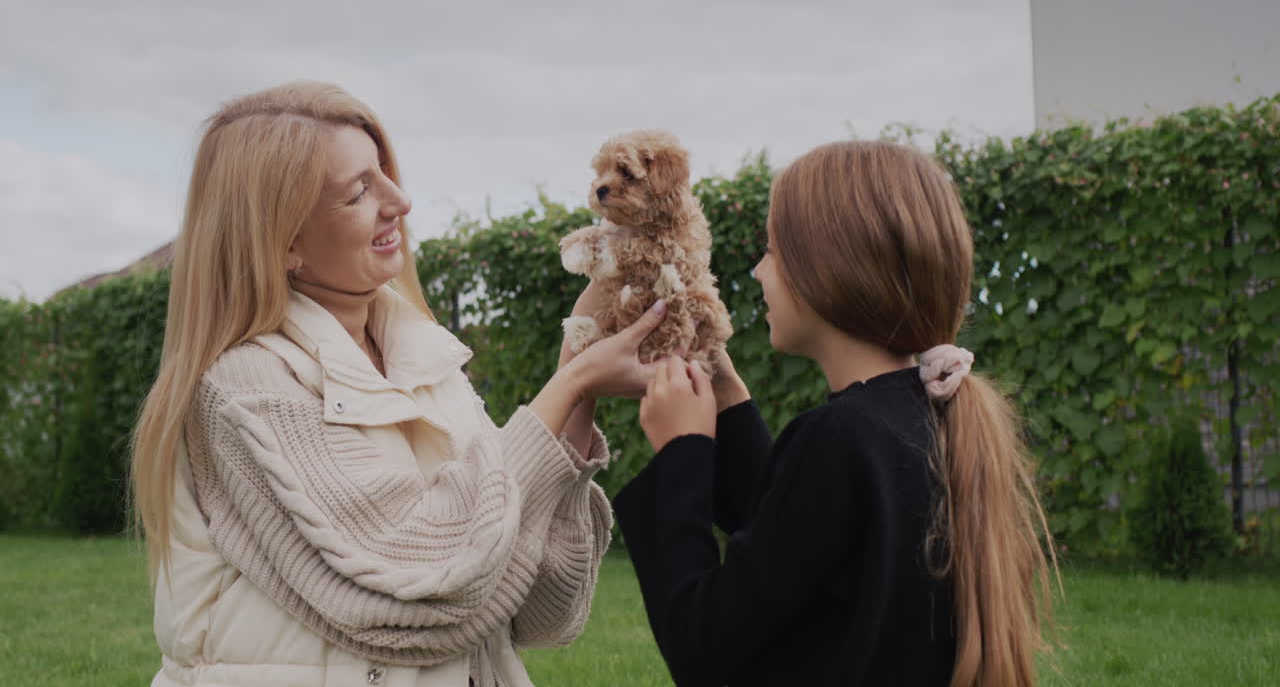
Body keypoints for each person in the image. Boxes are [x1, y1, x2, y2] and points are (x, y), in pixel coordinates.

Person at [131, 81, 665, 687]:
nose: (400, 200)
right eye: (358, 192)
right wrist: (568, 386)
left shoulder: (427, 365)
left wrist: (580, 376)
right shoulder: (245, 389)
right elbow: (415, 597)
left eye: (383, 172)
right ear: (283, 243)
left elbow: (539, 617)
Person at [615, 140, 1058, 686]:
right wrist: (728, 400)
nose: (757, 271)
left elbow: (703, 646)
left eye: (773, 251)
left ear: (829, 266)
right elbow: (793, 541)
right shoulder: (919, 417)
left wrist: (682, 450)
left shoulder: (839, 437)